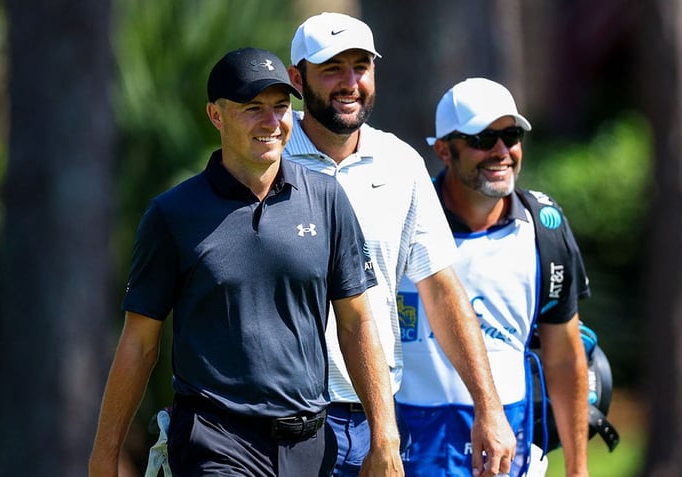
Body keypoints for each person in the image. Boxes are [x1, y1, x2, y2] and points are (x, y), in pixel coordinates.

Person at [88, 47, 403, 477]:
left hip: (310, 442)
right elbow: (139, 344)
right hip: (215, 440)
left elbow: (358, 323)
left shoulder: (327, 200)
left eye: (280, 107)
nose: (271, 123)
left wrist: (385, 438)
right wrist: (104, 456)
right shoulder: (173, 214)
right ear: (216, 116)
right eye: (253, 109)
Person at [284, 12, 516, 477]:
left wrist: (488, 406)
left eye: (361, 67)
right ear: (296, 78)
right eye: (332, 68)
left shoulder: (401, 163)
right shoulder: (270, 154)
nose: (350, 83)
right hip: (284, 421)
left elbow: (442, 289)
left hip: (377, 423)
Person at [395, 77, 592, 476]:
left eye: (511, 135)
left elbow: (564, 357)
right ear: (443, 151)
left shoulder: (545, 229)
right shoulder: (401, 219)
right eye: (483, 139)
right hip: (412, 448)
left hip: (508, 449)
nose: (502, 151)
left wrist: (577, 468)